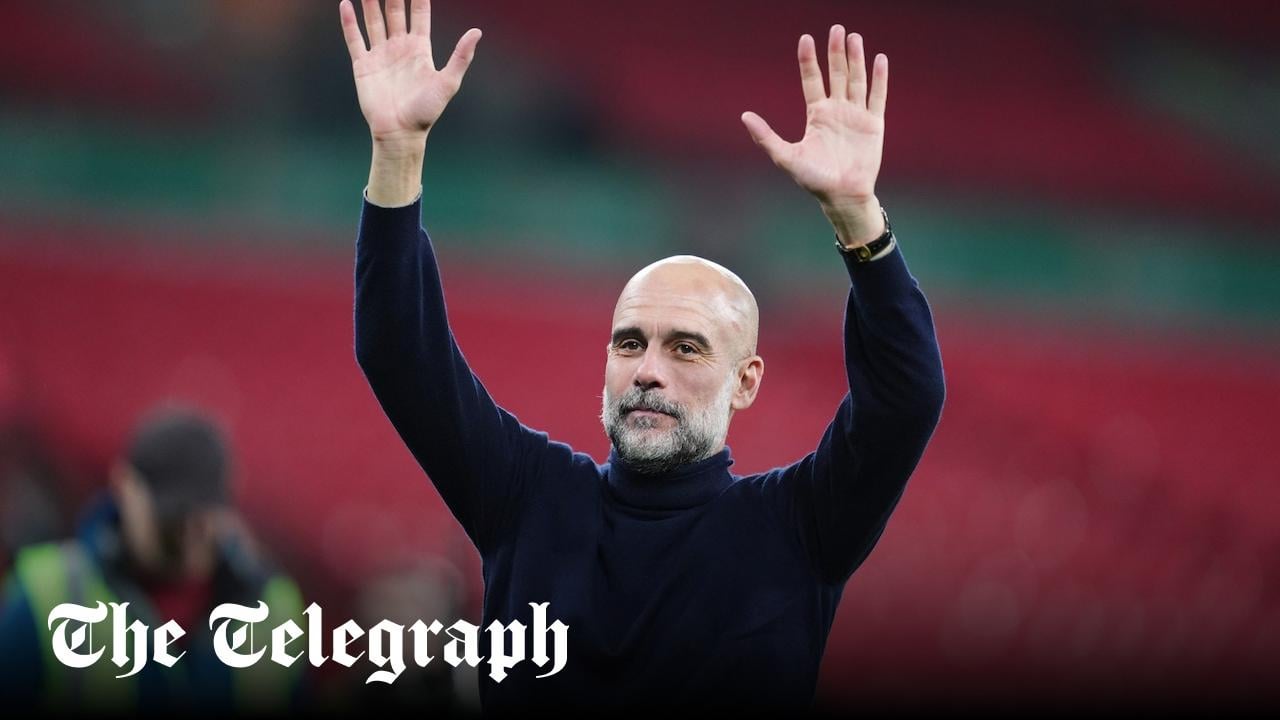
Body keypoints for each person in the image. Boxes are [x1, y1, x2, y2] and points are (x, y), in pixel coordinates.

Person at [342, 0, 945, 711]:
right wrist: (397, 152)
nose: (649, 370)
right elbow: (398, 350)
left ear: (745, 381)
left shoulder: (798, 526)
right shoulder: (530, 499)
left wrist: (855, 216)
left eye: (686, 348)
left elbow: (905, 399)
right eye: (630, 343)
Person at [0, 406, 305, 715]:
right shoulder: (47, 597)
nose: (189, 535)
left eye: (203, 517)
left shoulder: (274, 609)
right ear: (125, 487)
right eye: (172, 517)